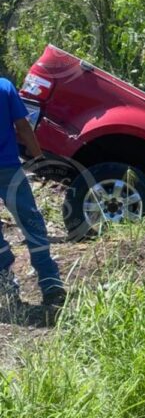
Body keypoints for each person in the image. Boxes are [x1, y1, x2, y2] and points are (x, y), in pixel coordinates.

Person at [0, 77, 66, 307]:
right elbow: (23, 126)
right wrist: (38, 158)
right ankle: (50, 283)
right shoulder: (4, 87)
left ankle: (6, 287)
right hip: (8, 168)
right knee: (31, 223)